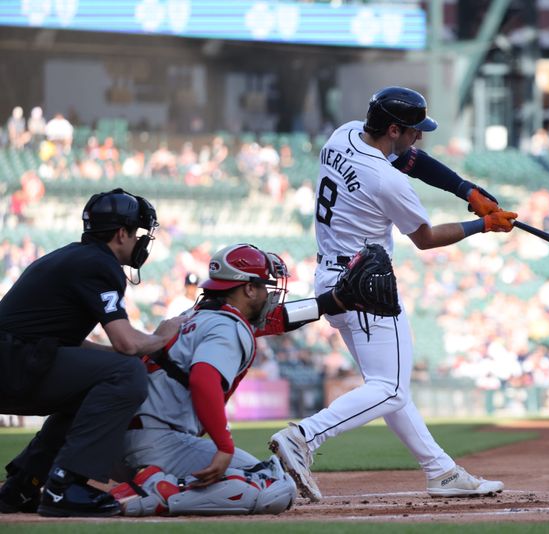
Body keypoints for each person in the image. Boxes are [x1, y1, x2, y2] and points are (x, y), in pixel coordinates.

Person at [269, 86, 517, 502]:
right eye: (413, 130)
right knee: (392, 388)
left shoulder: (344, 135)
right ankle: (303, 437)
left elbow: (412, 159)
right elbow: (425, 238)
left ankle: (441, 472)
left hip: (332, 278)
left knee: (388, 384)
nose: (419, 137)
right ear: (393, 128)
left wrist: (466, 191)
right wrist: (483, 225)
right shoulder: (386, 181)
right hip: (367, 285)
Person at [114, 243, 362, 516]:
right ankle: (154, 492)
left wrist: (333, 301)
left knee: (264, 472)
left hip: (132, 435)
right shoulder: (227, 325)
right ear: (248, 288)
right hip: (162, 441)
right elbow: (203, 380)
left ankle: (156, 483)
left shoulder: (195, 316)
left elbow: (277, 320)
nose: (270, 295)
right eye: (264, 286)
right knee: (276, 486)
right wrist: (223, 445)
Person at [0, 188, 185, 517]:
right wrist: (161, 337)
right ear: (120, 233)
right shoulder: (100, 264)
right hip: (13, 364)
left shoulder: (73, 257)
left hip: (16, 359)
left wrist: (120, 356)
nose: (141, 241)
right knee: (127, 372)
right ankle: (65, 485)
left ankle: (24, 484)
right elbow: (126, 342)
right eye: (137, 233)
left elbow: (64, 342)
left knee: (103, 376)